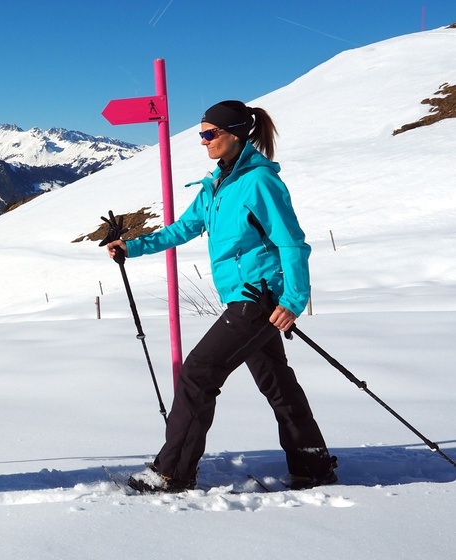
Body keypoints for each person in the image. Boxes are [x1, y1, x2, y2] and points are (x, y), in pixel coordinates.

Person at [105, 100, 337, 493]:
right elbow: (183, 229)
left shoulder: (260, 183)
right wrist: (132, 246)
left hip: (258, 300)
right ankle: (311, 464)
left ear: (236, 133)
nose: (204, 141)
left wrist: (293, 300)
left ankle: (172, 472)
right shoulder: (216, 184)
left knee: (199, 373)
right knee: (277, 383)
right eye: (201, 134)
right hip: (242, 298)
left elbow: (292, 244)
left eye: (210, 134)